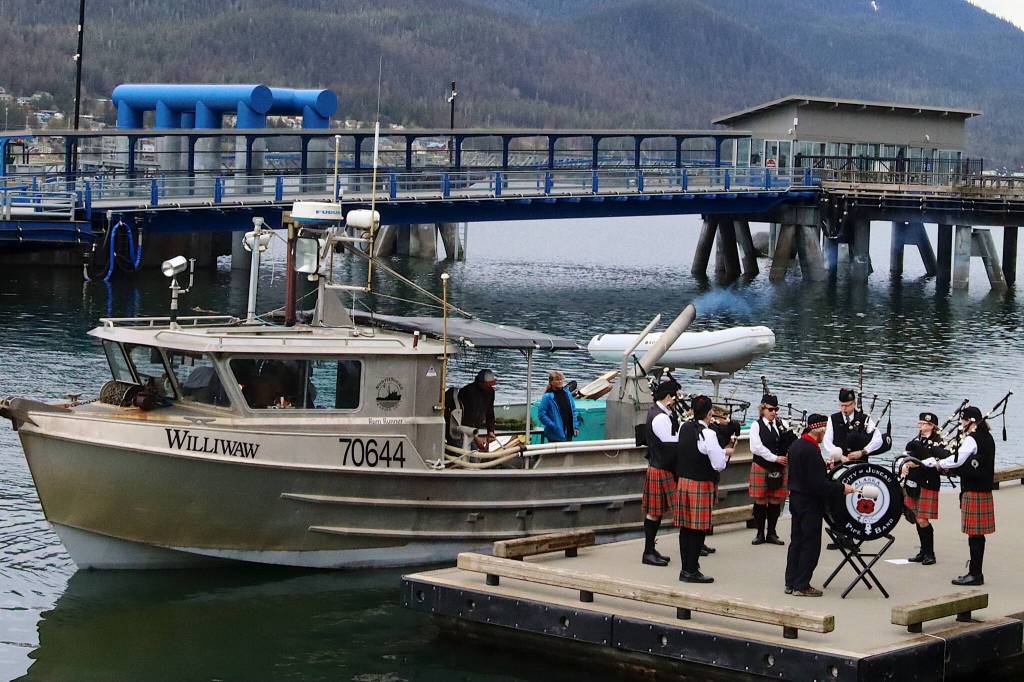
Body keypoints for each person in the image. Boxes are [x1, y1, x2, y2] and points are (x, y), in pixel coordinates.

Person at [785, 414, 856, 597]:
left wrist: (822, 466)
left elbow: (806, 473)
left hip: (796, 498)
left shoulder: (796, 445)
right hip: (809, 502)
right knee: (810, 544)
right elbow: (817, 485)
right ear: (820, 430)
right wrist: (842, 488)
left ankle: (790, 581)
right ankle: (802, 585)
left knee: (796, 541)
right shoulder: (811, 449)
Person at [925, 406, 995, 586]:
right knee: (977, 534)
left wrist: (940, 463)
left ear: (971, 422)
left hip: (974, 490)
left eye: (964, 421)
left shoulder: (972, 439)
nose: (962, 424)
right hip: (984, 489)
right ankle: (975, 572)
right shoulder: (988, 437)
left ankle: (975, 574)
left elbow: (958, 459)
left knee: (974, 534)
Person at [673, 395, 731, 583]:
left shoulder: (684, 427)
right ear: (710, 413)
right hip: (701, 483)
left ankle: (686, 568)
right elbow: (719, 465)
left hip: (684, 482)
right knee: (698, 529)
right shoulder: (708, 434)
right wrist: (726, 453)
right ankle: (691, 570)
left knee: (685, 528)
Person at [639, 377, 681, 567]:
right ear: (668, 397)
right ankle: (648, 552)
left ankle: (650, 549)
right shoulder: (660, 417)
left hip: (659, 467)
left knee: (655, 512)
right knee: (654, 513)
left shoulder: (660, 413)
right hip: (661, 468)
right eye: (674, 397)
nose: (675, 401)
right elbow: (671, 443)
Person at [747, 393, 796, 546]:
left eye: (776, 409)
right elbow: (756, 447)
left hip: (780, 467)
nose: (774, 412)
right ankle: (760, 533)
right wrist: (775, 458)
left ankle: (772, 533)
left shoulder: (781, 425)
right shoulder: (756, 425)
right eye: (770, 409)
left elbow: (791, 441)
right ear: (763, 409)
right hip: (762, 465)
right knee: (761, 499)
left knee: (775, 499)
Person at [899, 412, 946, 565]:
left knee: (922, 519)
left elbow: (937, 461)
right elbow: (906, 456)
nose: (920, 426)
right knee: (917, 518)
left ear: (932, 426)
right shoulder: (916, 440)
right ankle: (923, 552)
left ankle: (930, 554)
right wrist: (904, 465)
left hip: (928, 482)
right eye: (919, 423)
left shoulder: (938, 442)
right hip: (914, 482)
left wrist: (917, 463)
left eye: (923, 424)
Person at [822, 388, 883, 464]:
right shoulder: (832, 419)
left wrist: (863, 452)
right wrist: (839, 456)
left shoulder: (864, 419)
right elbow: (827, 441)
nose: (844, 408)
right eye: (842, 405)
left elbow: (878, 439)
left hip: (860, 464)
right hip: (838, 464)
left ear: (854, 403)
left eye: (847, 405)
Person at [458, 369, 498, 450]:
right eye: (487, 385)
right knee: (466, 453)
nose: (489, 387)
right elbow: (466, 417)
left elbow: (490, 413)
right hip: (462, 430)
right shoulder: (468, 391)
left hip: (475, 428)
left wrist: (490, 431)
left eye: (491, 385)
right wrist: (476, 438)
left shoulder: (491, 392)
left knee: (475, 456)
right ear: (481, 383)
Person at [536, 370, 580, 443]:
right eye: (557, 380)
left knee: (567, 453)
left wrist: (575, 426)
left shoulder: (567, 393)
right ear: (551, 382)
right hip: (555, 434)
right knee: (557, 454)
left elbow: (573, 411)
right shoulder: (548, 396)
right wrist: (553, 425)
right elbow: (542, 415)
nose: (560, 381)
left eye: (561, 379)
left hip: (569, 432)